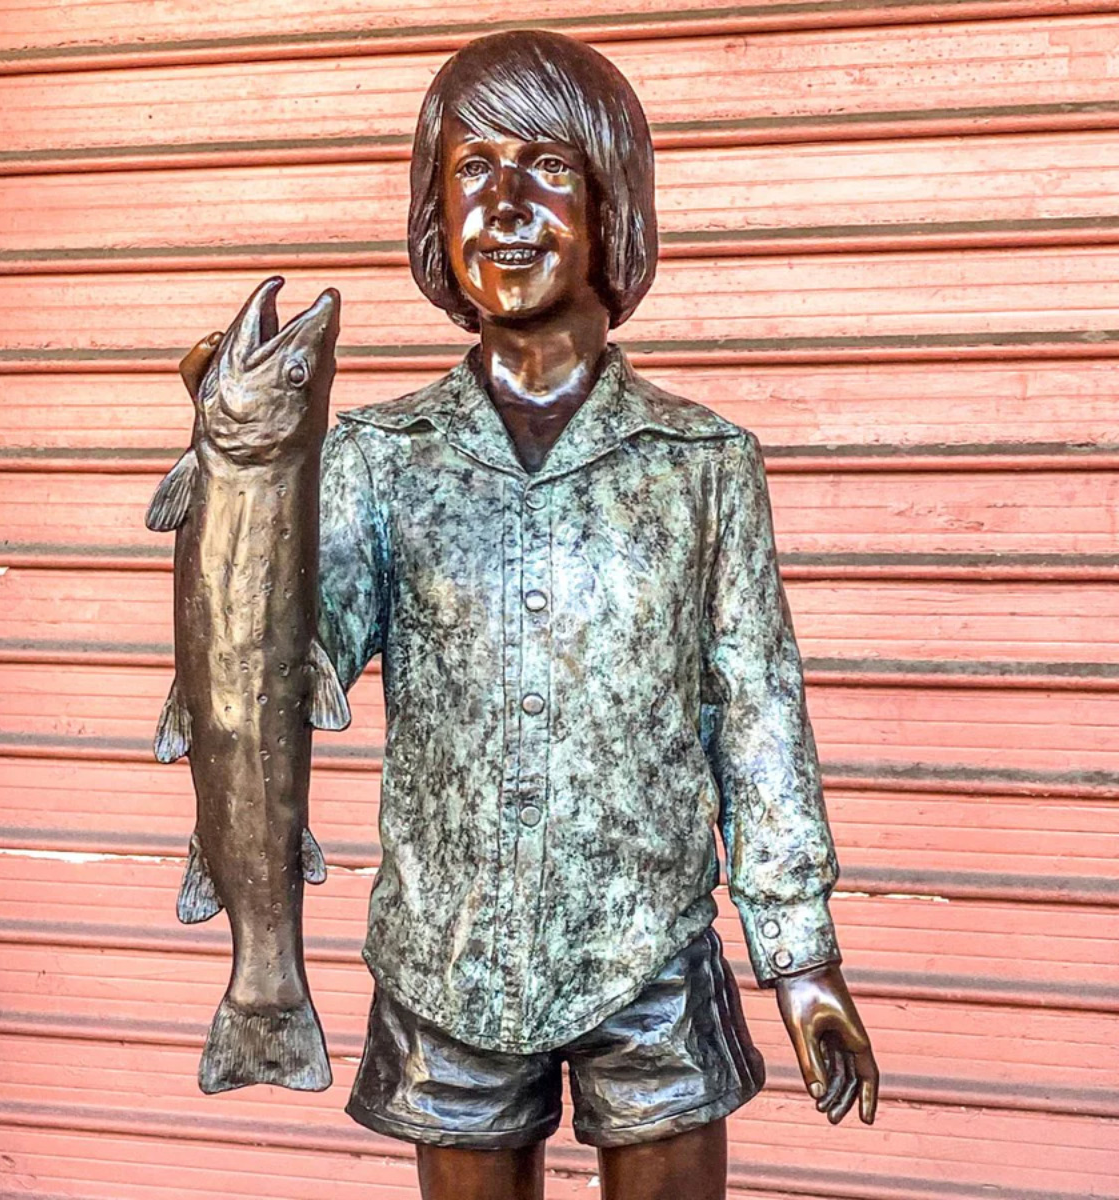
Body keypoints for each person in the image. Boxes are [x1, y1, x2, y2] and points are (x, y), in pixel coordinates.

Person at [200, 28, 878, 1200]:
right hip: (446, 959)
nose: (505, 206)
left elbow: (757, 714)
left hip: (649, 962)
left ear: (615, 204)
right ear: (433, 214)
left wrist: (802, 958)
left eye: (548, 169)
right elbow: (280, 669)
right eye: (473, 172)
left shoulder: (702, 465)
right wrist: (240, 500)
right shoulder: (374, 459)